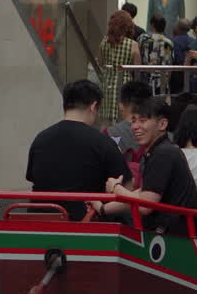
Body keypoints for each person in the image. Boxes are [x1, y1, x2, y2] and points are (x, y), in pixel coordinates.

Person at [26, 80, 132, 220]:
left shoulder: (40, 139)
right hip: (86, 224)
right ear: (93, 106)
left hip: (39, 221)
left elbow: (33, 178)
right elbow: (128, 187)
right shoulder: (103, 142)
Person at [102, 97, 197, 236]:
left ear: (162, 124)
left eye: (143, 121)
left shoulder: (163, 153)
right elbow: (142, 193)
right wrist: (103, 209)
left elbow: (145, 205)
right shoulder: (159, 150)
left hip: (173, 239)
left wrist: (115, 188)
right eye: (134, 121)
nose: (135, 127)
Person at [100, 10, 141, 125]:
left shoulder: (104, 42)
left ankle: (107, 140)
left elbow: (101, 62)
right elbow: (137, 68)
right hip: (124, 84)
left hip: (107, 82)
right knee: (124, 118)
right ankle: (120, 142)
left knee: (106, 120)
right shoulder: (132, 44)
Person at [139, 14, 174, 93]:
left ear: (152, 25)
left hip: (144, 80)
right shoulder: (168, 43)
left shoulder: (142, 39)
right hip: (161, 82)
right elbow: (169, 63)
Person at [168, 18, 194, 94]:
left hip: (176, 78)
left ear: (177, 27)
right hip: (191, 77)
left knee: (176, 101)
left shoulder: (172, 41)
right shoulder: (194, 41)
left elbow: (171, 59)